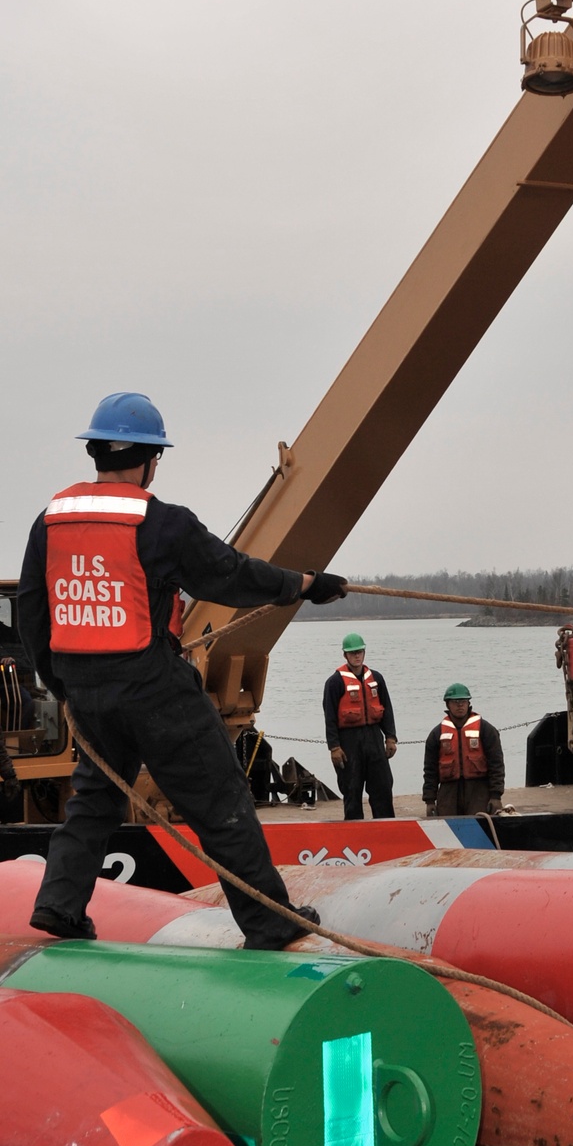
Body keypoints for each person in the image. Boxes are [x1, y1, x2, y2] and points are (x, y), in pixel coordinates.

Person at [18, 391, 348, 947]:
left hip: (87, 692)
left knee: (95, 796)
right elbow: (229, 575)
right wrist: (305, 586)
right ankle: (267, 923)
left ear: (96, 452)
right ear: (149, 459)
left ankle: (59, 906)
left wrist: (63, 684)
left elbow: (33, 609)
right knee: (220, 799)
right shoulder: (161, 522)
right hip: (154, 692)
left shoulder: (49, 521)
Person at [322, 632, 397, 818]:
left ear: (364, 653)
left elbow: (386, 709)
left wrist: (390, 737)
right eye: (352, 652)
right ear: (345, 655)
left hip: (373, 737)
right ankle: (354, 832)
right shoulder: (335, 682)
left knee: (383, 786)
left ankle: (387, 827)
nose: (356, 656)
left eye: (360, 652)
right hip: (348, 741)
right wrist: (334, 747)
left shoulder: (377, 679)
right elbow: (330, 716)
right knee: (351, 788)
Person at [423, 682, 505, 817]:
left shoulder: (486, 730)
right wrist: (430, 800)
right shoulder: (436, 734)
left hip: (478, 790)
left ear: (469, 703)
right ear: (447, 705)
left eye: (463, 701)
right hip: (448, 792)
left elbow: (497, 764)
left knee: (479, 829)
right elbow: (430, 770)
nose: (460, 705)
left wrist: (496, 796)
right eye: (455, 701)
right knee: (448, 829)